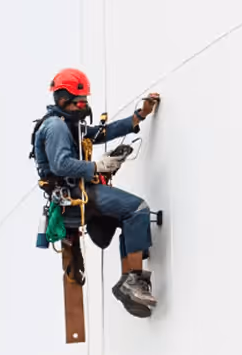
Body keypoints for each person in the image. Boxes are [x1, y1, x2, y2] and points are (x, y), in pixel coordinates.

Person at [32, 67, 160, 317]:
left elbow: (102, 133)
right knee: (137, 209)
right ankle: (131, 281)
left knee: (129, 217)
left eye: (85, 100)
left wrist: (139, 116)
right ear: (62, 100)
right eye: (79, 101)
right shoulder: (56, 127)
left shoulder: (70, 124)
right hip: (75, 197)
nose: (84, 106)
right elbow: (60, 164)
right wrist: (97, 166)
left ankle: (131, 281)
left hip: (80, 194)